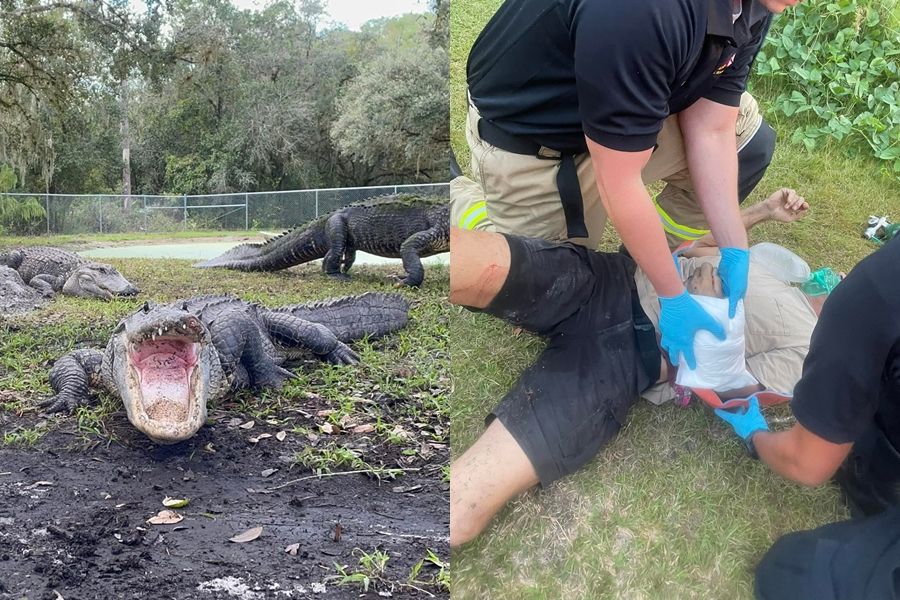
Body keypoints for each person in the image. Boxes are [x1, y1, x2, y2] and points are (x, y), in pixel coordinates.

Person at [450, 188, 815, 547]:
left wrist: (710, 309)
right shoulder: (779, 272)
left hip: (621, 360)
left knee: (465, 506)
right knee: (471, 258)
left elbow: (731, 390)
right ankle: (453, 190)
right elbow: (697, 249)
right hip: (611, 277)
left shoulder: (810, 353)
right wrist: (762, 211)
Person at [452, 0, 802, 370]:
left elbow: (713, 129)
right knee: (551, 285)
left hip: (630, 118)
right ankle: (464, 200)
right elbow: (618, 178)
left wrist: (734, 248)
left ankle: (645, 260)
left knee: (746, 140)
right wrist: (674, 299)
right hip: (536, 140)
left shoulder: (756, 4)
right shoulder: (642, 11)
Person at [715, 234, 900, 515]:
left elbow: (806, 462)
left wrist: (755, 435)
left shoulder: (865, 305)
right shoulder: (865, 300)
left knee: (788, 560)